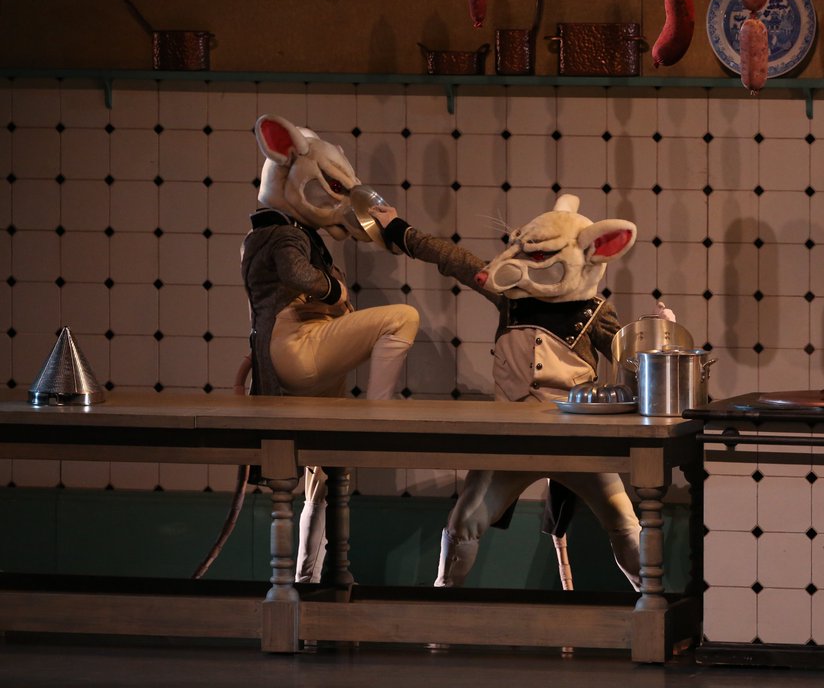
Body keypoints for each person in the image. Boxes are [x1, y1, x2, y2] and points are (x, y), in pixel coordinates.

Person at [369, 194, 646, 590]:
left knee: (625, 522)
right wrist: (398, 229)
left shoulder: (594, 313)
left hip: (577, 441)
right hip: (511, 440)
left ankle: (655, 606)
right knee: (464, 523)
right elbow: (454, 259)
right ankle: (440, 610)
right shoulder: (510, 298)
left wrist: (657, 335)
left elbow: (631, 353)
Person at [244, 114, 420, 583]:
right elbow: (299, 278)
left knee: (322, 480)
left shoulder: (286, 233)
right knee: (402, 317)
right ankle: (378, 418)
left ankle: (309, 575)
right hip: (298, 349)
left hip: (302, 352)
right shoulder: (281, 233)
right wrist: (333, 293)